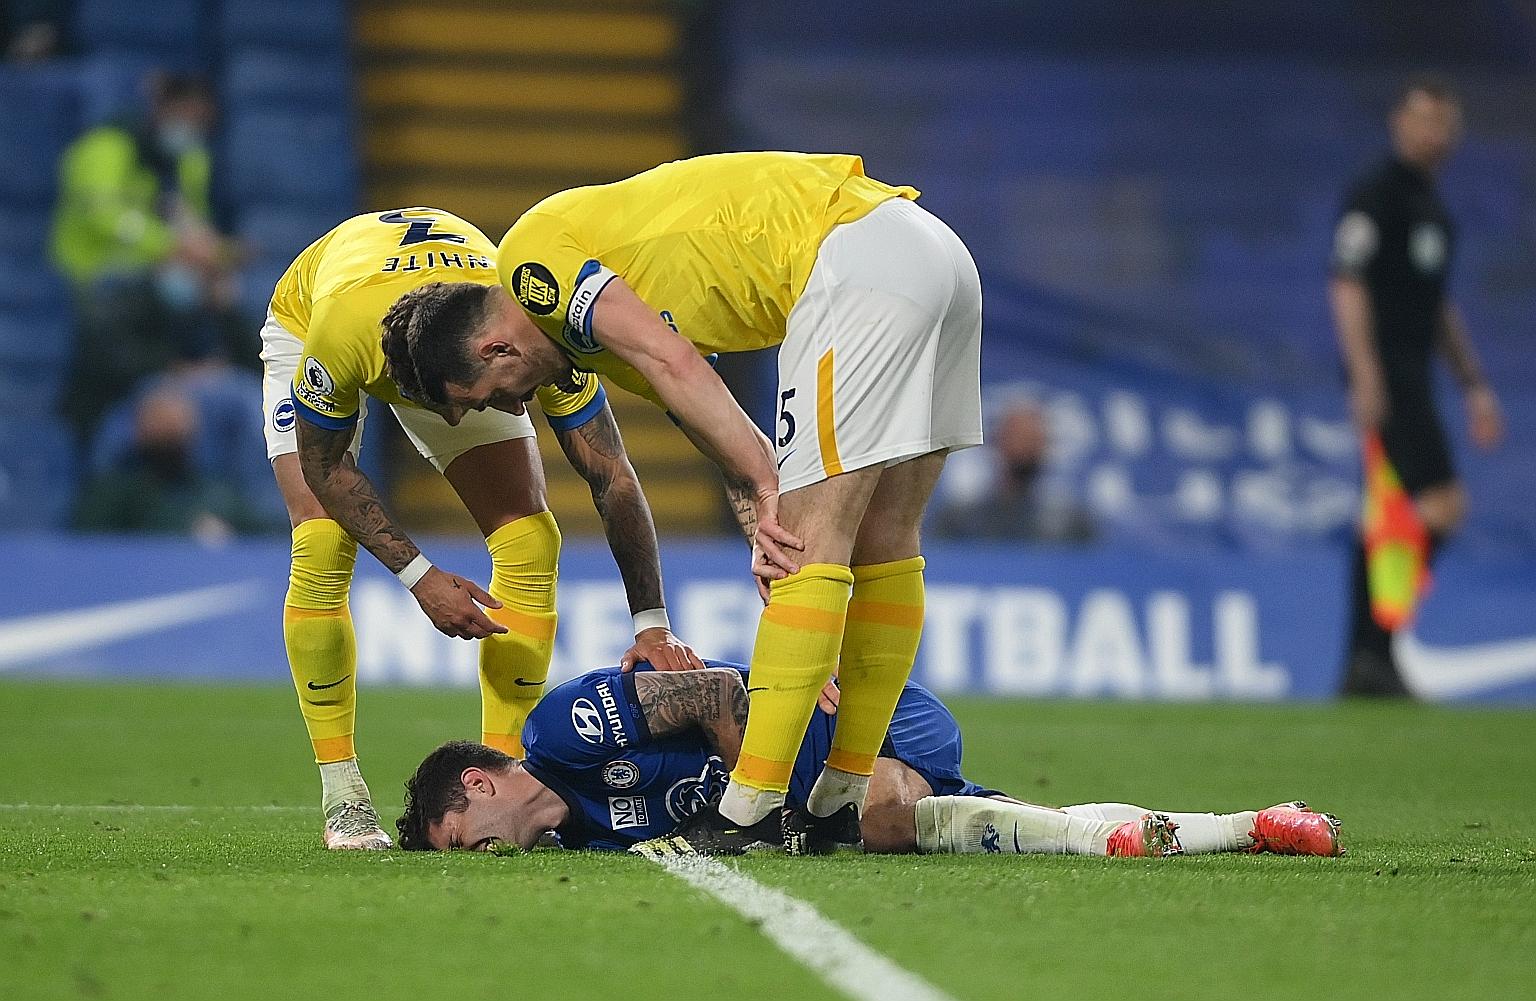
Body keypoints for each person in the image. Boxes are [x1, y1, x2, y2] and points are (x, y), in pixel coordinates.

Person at [381, 151, 984, 856]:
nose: (514, 407)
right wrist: (761, 507)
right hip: (933, 257)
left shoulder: (531, 267)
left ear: (491, 347)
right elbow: (706, 415)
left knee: (814, 538)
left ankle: (750, 808)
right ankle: (839, 794)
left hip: (851, 260)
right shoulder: (593, 339)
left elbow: (679, 365)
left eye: (487, 397)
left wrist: (772, 496)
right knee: (887, 536)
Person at [263, 207, 701, 851]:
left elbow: (613, 479)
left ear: (500, 349)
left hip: (445, 318)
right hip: (311, 319)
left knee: (529, 535)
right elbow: (324, 468)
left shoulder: (545, 333)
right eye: (470, 404)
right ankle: (344, 795)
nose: (490, 413)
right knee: (324, 535)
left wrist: (651, 624)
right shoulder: (341, 334)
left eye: (487, 396)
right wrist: (420, 577)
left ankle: (510, 775)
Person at [395, 661, 1342, 860]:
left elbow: (723, 695)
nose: (475, 854)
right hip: (829, 785)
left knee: (888, 815)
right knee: (1005, 826)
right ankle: (1255, 824)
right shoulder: (581, 844)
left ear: (478, 784)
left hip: (839, 712)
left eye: (458, 836)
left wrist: (767, 812)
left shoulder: (561, 732)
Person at [1330, 76, 1506, 697]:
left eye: (1444, 121)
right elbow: (1347, 286)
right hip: (1390, 375)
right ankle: (1371, 654)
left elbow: (1436, 308)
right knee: (1434, 507)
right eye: (1422, 118)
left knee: (1396, 515)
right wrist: (1366, 374)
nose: (1434, 131)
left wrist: (1474, 384)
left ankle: (1368, 658)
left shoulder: (1434, 211)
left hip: (1416, 372)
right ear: (1398, 124)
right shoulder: (1375, 196)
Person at [50, 71, 245, 439]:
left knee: (216, 295)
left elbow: (192, 223)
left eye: (200, 121)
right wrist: (170, 246)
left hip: (154, 282)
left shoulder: (190, 159)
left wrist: (219, 253)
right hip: (95, 279)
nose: (191, 127)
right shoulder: (103, 147)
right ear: (163, 107)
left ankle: (193, 380)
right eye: (186, 117)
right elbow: (101, 215)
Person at [72, 384, 276, 539]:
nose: (169, 434)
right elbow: (87, 542)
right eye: (161, 428)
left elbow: (260, 533)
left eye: (177, 430)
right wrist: (187, 530)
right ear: (140, 430)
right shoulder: (112, 493)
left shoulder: (216, 492)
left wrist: (225, 532)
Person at [930, 401, 1094, 543]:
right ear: (998, 443)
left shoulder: (1069, 522)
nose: (1026, 449)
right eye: (1019, 438)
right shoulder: (962, 520)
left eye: (1033, 440)